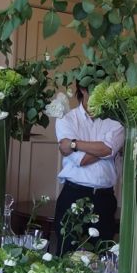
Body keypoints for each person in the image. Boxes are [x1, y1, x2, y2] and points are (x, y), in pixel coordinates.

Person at [54, 82, 124, 256]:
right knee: (67, 254)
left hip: (104, 198)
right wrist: (104, 148)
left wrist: (74, 144)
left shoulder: (116, 121)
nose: (104, 94)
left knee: (100, 258)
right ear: (83, 89)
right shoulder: (67, 119)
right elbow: (82, 159)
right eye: (99, 88)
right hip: (73, 195)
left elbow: (108, 149)